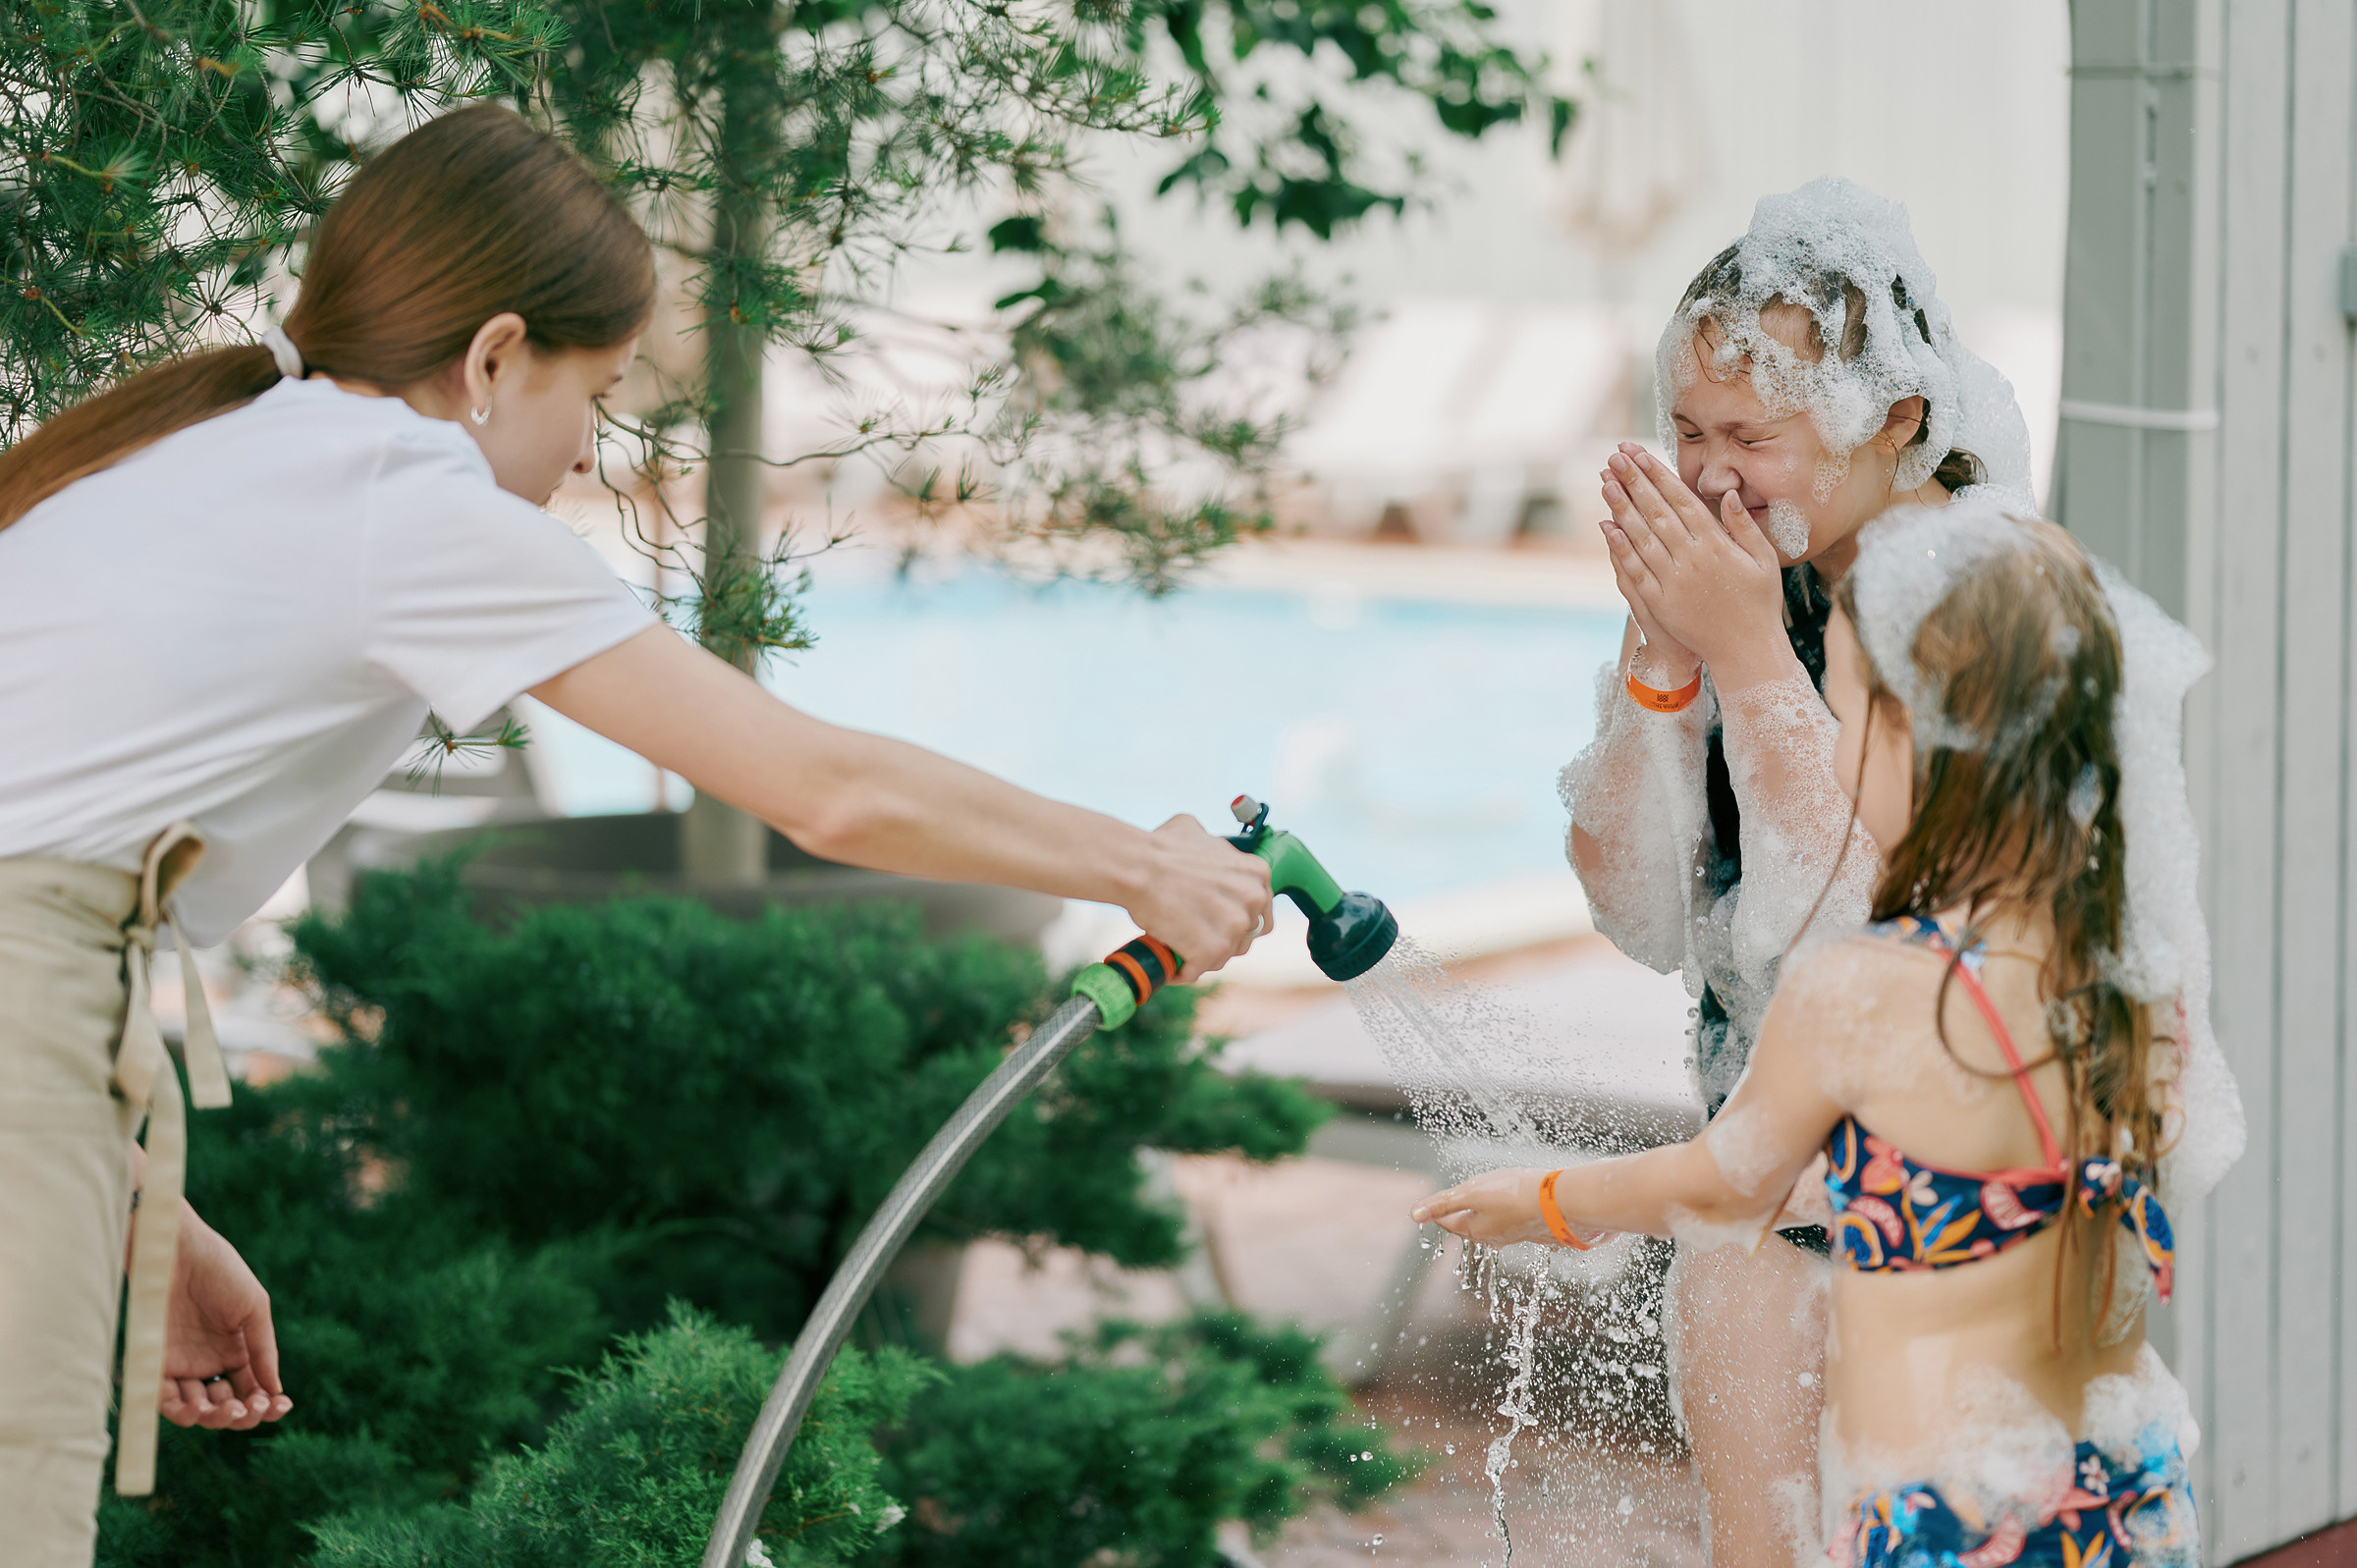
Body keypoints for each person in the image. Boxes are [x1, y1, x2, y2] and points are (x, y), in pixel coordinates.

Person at [0, 103, 1272, 1565]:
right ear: (491, 360)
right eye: (592, 399)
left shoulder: (218, 451)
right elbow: (821, 787)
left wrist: (145, 1209)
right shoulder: (404, 504)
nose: (587, 453)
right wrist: (1144, 864)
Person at [1422, 504, 2243, 1567]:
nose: (1836, 741)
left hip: (1955, 1517)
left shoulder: (1864, 989)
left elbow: (1728, 1182)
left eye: (1847, 710)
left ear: (1916, 738)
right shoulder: (2125, 967)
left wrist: (1546, 1200)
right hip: (2125, 1489)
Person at [1557, 179, 2038, 1560]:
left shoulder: (1984, 599)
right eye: (1688, 431)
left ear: (1897, 419)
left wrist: (1753, 654)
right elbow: (1642, 915)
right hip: (1768, 1178)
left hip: (1962, 1199)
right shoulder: (1744, 581)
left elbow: (1875, 954)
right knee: (1756, 1545)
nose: (1710, 476)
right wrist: (1664, 665)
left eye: (1751, 436)